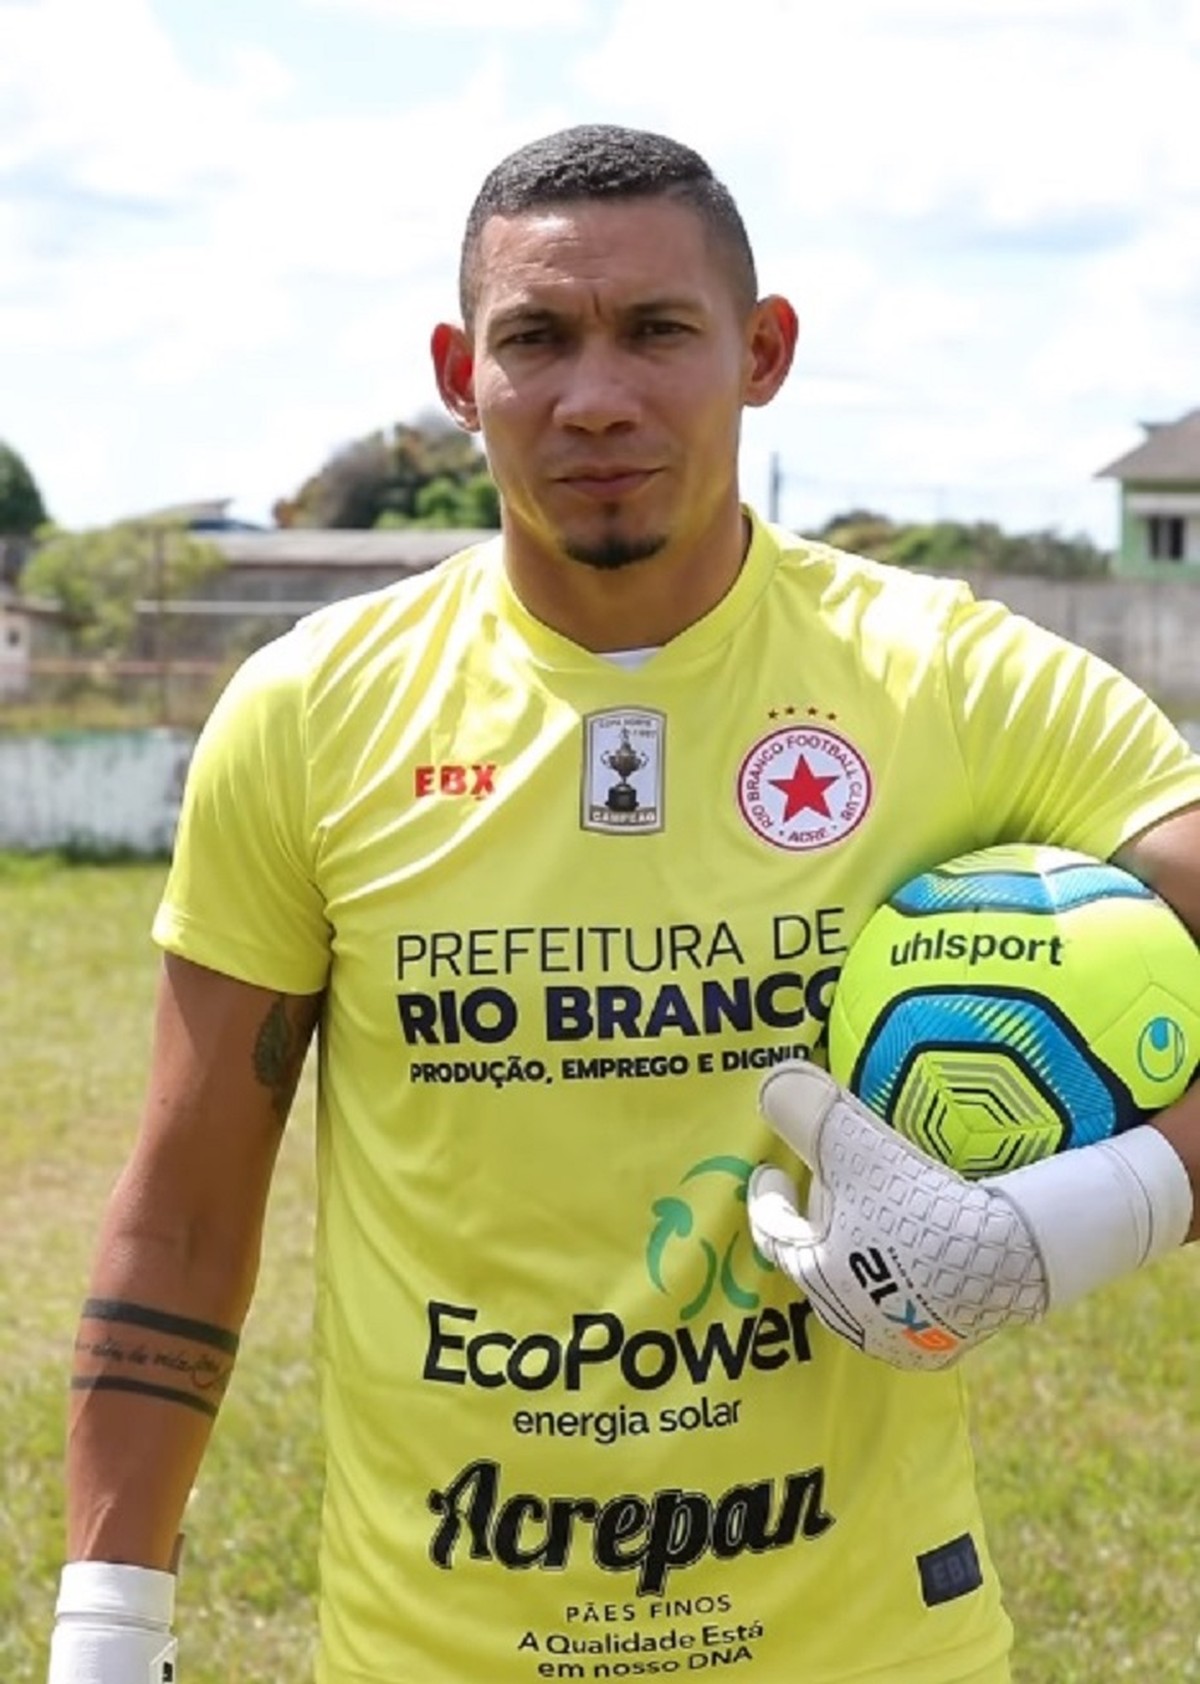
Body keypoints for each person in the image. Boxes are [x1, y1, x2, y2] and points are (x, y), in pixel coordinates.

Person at [47, 122, 1200, 1684]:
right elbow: (183, 1213)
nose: (597, 396)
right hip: (438, 1650)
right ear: (462, 373)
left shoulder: (948, 679)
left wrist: (1071, 1219)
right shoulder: (314, 711)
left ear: (762, 351)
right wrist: (107, 1638)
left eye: (658, 330)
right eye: (538, 338)